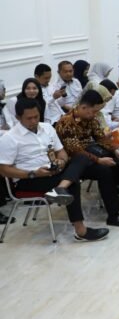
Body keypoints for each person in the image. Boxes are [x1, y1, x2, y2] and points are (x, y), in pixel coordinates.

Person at [0, 98, 110, 241]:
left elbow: (62, 152)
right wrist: (33, 173)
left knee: (82, 158)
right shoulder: (10, 138)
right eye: (29, 118)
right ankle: (81, 231)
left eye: (36, 117)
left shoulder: (47, 127)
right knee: (73, 183)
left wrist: (61, 161)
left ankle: (60, 189)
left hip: (53, 171)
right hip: (29, 179)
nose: (34, 121)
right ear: (18, 118)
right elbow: (3, 170)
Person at [56, 90, 119, 220]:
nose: (94, 115)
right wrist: (99, 160)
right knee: (105, 171)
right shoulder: (66, 122)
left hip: (92, 152)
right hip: (76, 162)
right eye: (93, 111)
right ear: (83, 107)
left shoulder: (91, 118)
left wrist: (114, 150)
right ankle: (113, 215)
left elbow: (100, 138)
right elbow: (75, 150)